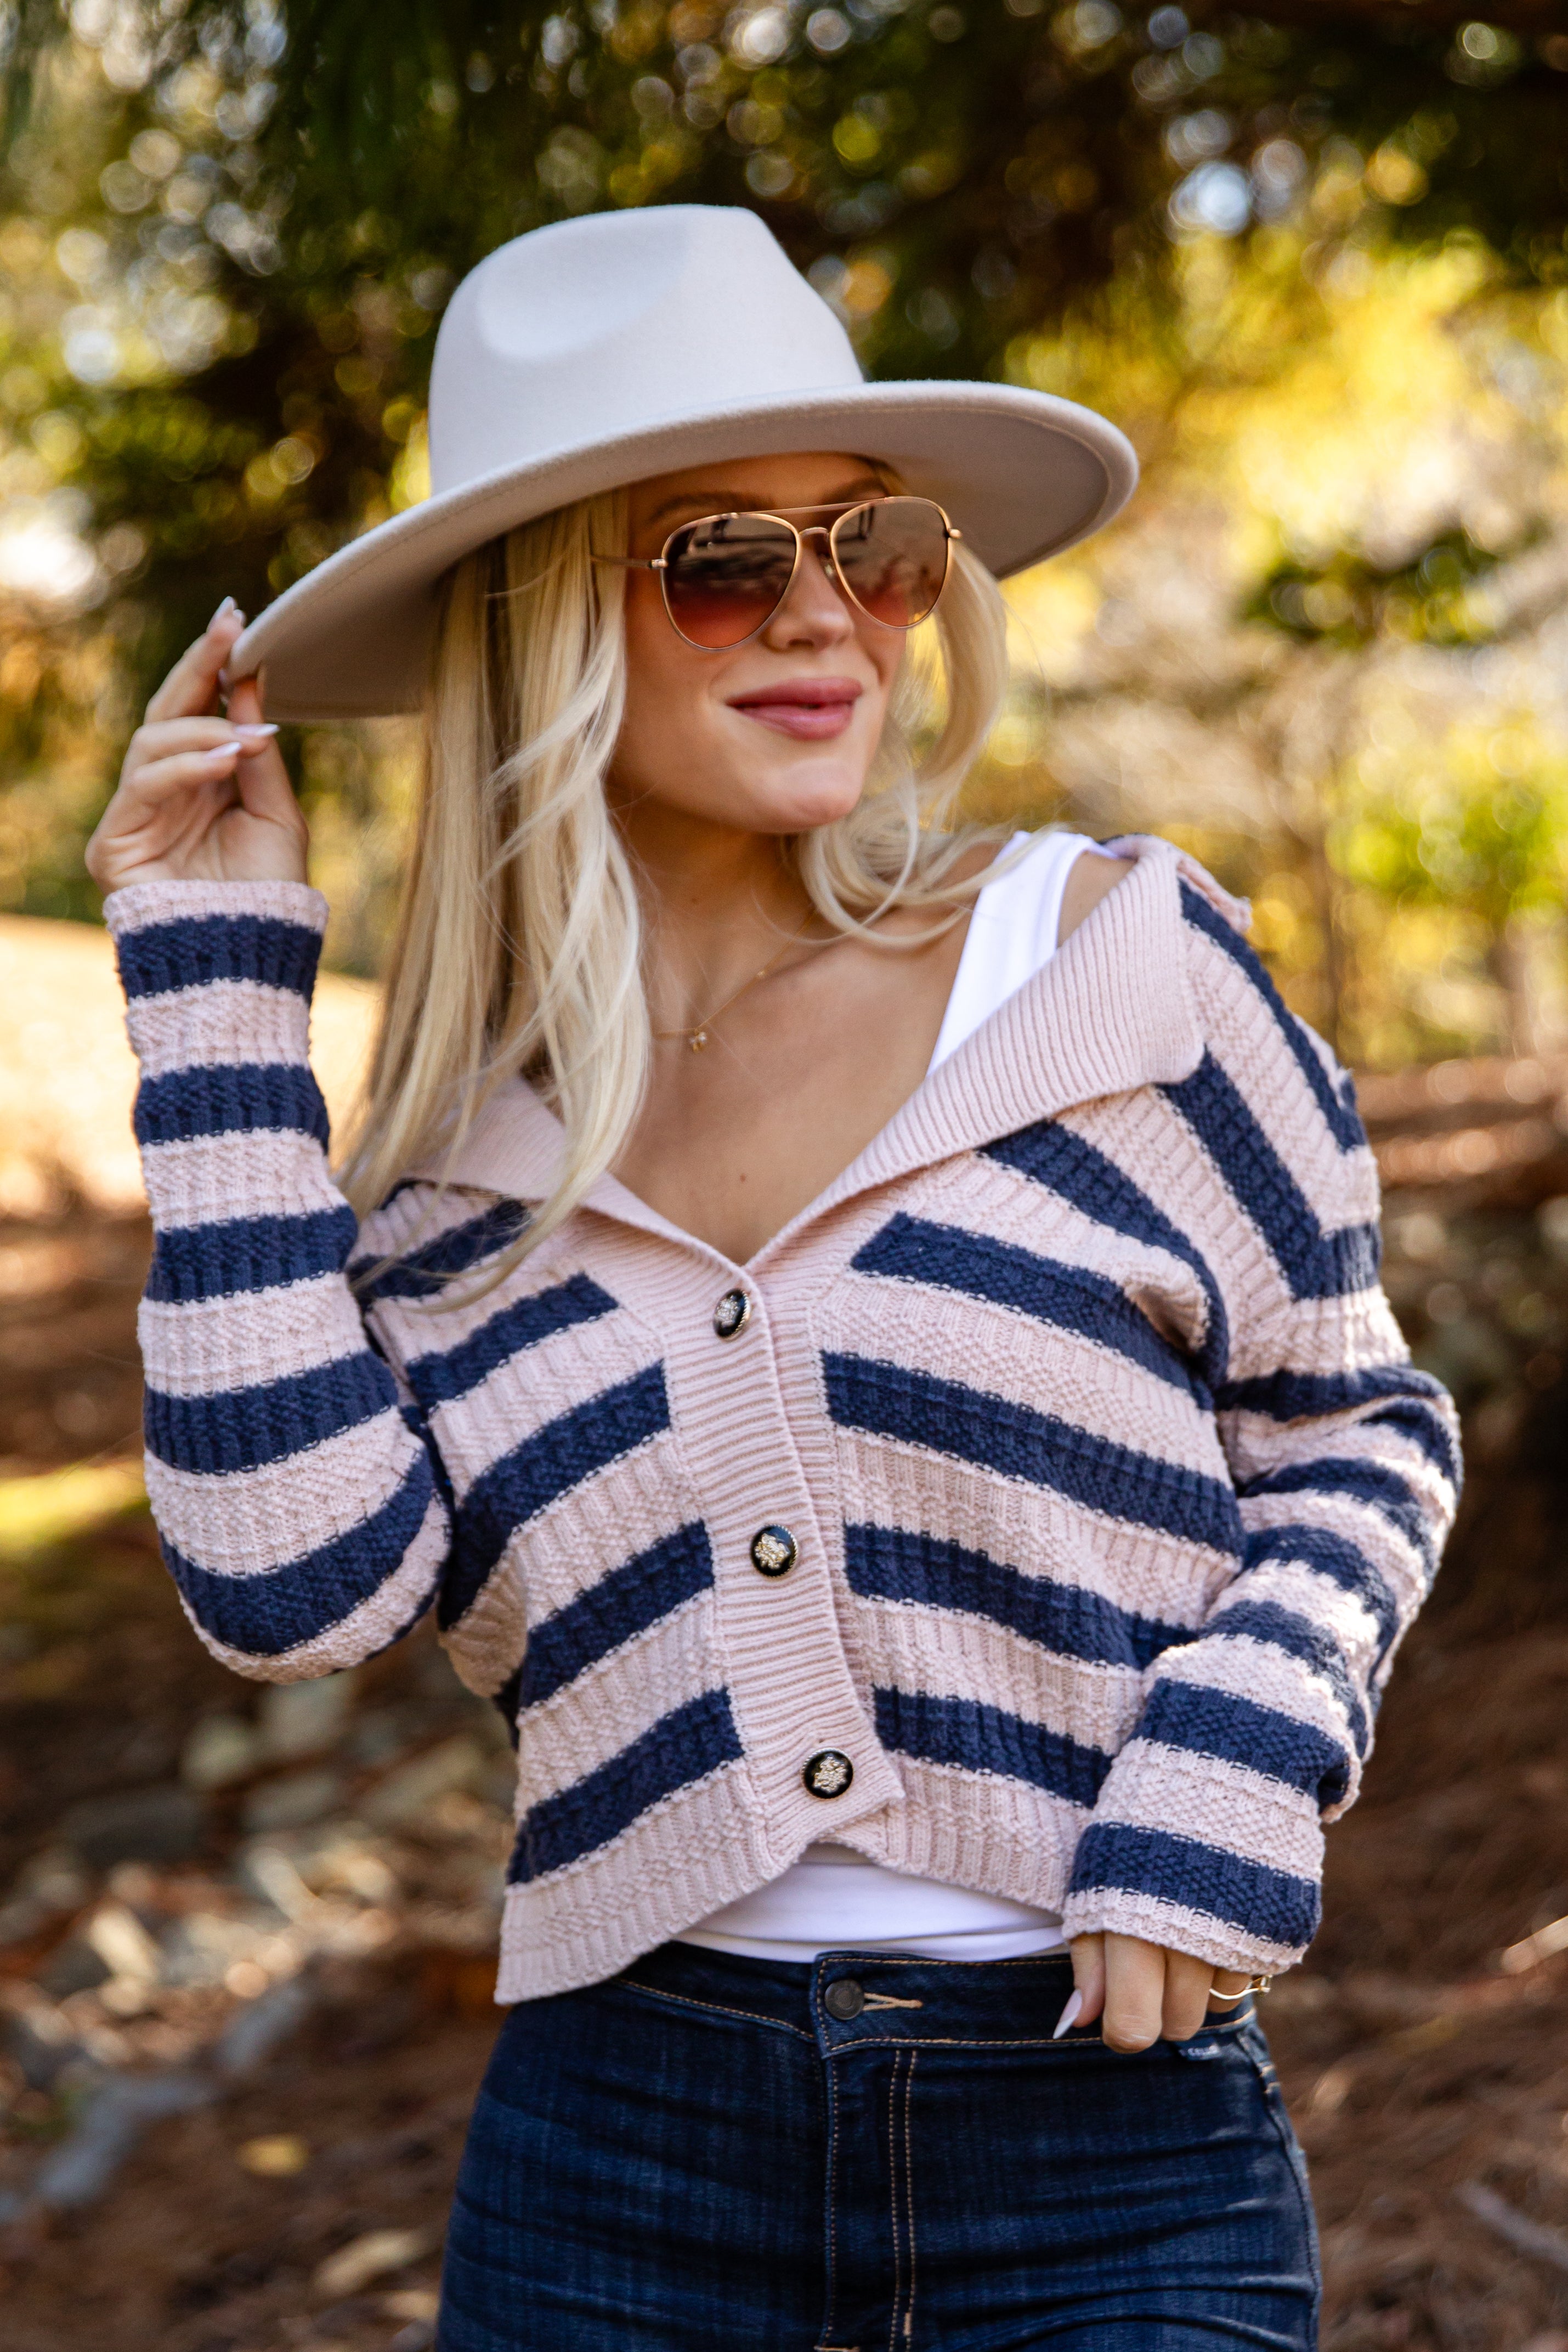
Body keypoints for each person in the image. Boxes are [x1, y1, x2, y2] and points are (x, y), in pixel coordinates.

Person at [87, 207, 1458, 2351]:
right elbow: (292, 1596)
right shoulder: (460, 1163)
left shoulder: (1108, 967)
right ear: (541, 624)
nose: (827, 618)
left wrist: (1227, 1772)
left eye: (877, 547)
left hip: (1111, 2134)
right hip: (613, 2151)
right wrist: (208, 993)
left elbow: (1354, 1425)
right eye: (723, 557)